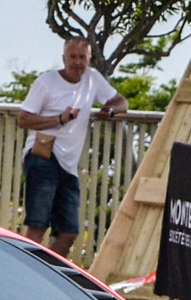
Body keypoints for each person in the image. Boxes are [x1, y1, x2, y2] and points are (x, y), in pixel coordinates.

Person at [16, 37, 127, 260]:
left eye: (82, 57)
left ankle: (47, 272)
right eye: (72, 57)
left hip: (69, 165)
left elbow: (122, 102)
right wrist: (59, 119)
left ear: (89, 59)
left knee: (69, 232)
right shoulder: (47, 82)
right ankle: (24, 274)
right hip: (43, 157)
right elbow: (24, 119)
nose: (77, 62)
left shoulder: (93, 78)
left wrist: (110, 112)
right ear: (63, 58)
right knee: (37, 226)